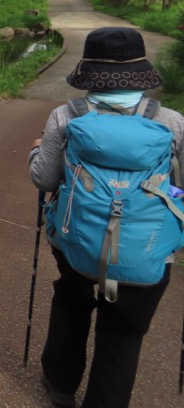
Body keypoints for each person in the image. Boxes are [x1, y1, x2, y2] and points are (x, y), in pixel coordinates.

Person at [28, 27, 184, 408]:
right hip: (147, 252)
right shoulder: (171, 121)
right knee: (124, 336)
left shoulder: (66, 116)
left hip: (77, 243)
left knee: (71, 305)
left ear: (89, 70)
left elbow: (44, 178)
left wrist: (35, 152)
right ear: (141, 71)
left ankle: (60, 385)